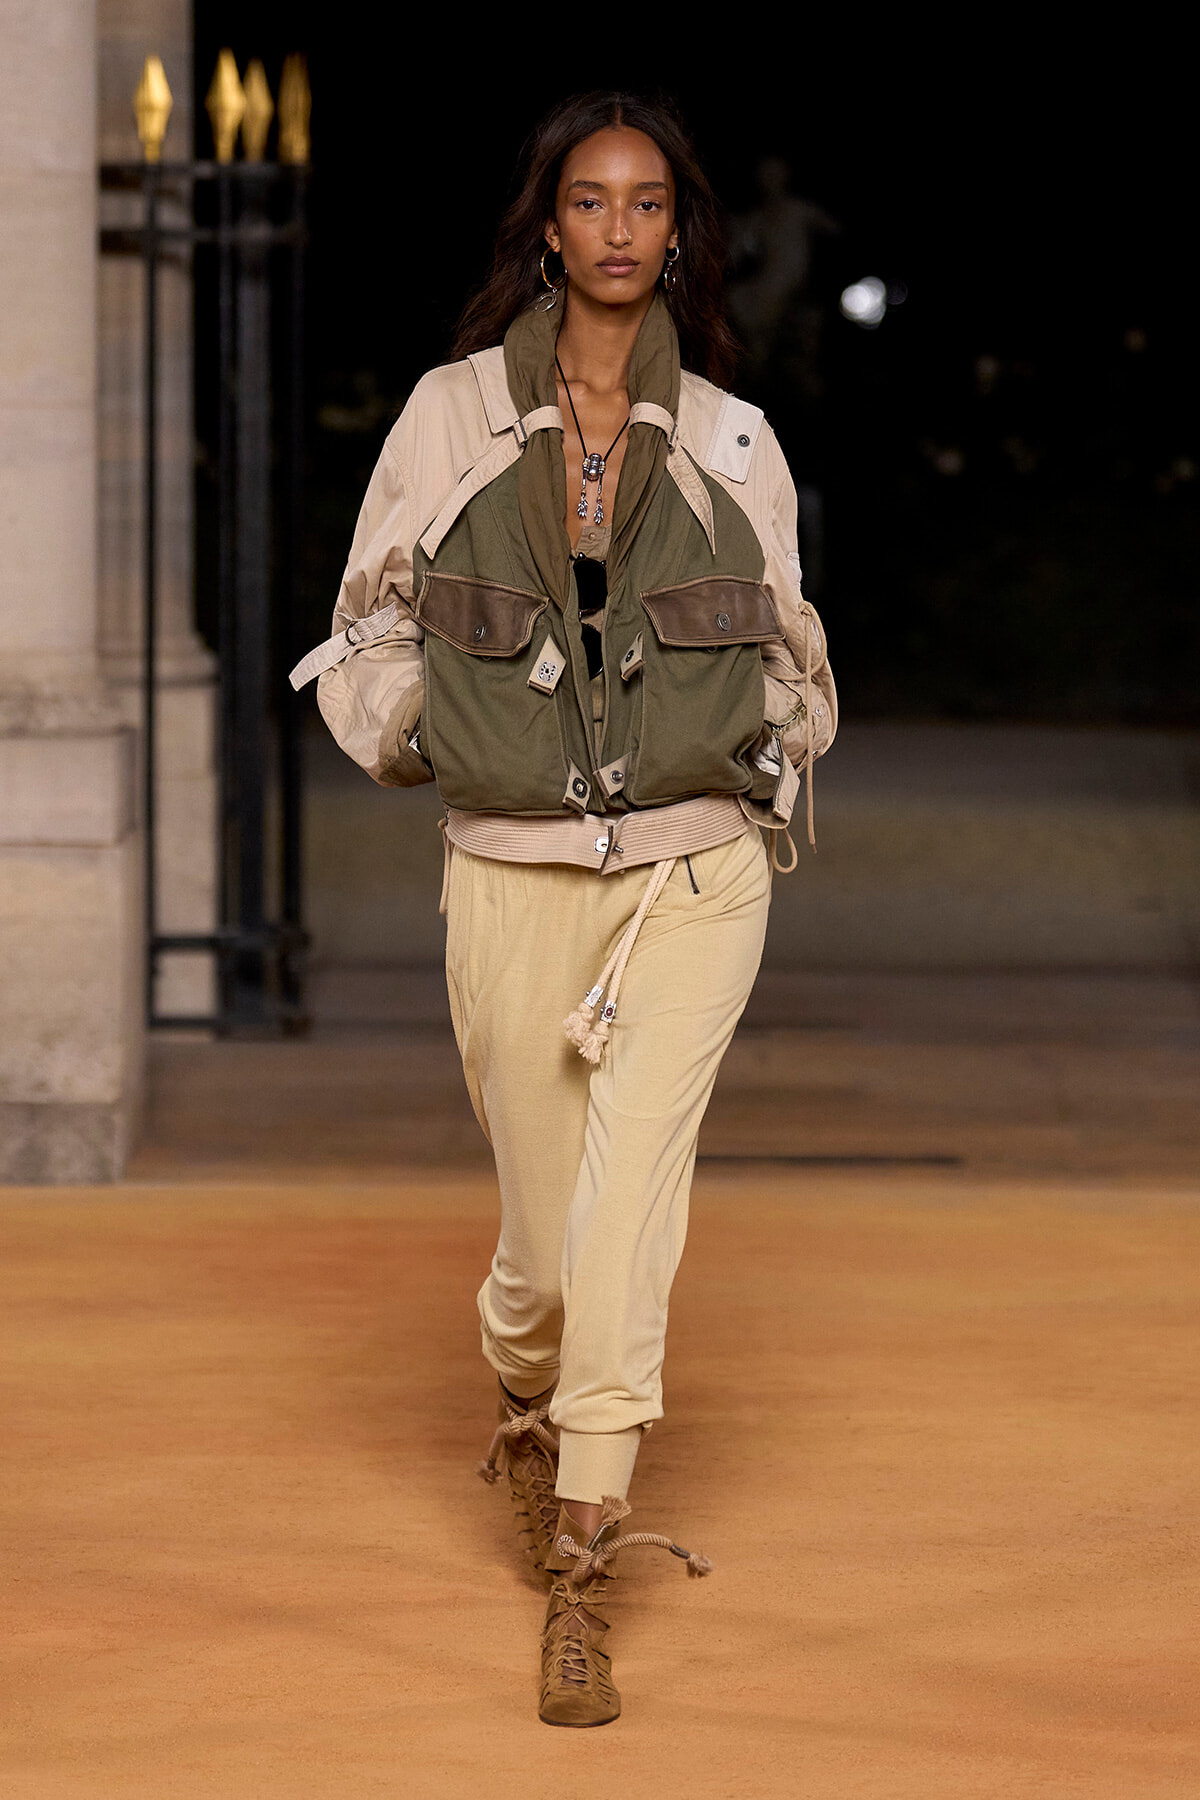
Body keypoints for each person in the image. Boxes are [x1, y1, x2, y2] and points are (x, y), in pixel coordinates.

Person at [291, 90, 837, 1727]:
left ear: (679, 231)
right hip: (511, 876)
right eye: (590, 202)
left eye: (647, 203)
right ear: (551, 225)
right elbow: (365, 625)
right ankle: (524, 1394)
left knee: (628, 1217)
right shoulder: (453, 415)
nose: (618, 228)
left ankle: (583, 1562)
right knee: (540, 1252)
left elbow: (796, 659)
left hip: (694, 873)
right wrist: (421, 739)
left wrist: (763, 753)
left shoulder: (738, 440)